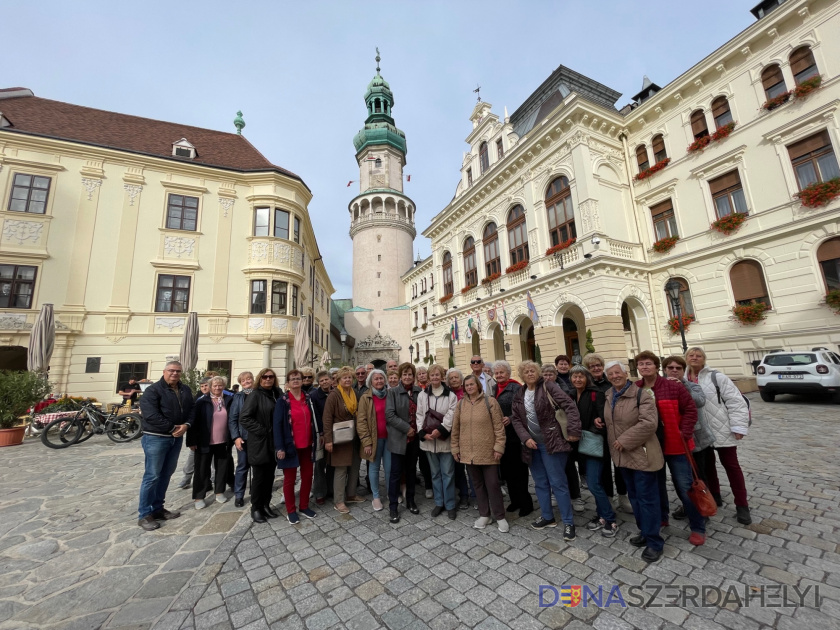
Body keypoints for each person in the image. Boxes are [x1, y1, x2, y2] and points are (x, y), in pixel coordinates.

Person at [635, 350, 705, 546]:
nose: (644, 367)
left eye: (648, 363)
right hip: (651, 446)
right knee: (656, 486)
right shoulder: (636, 388)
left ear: (656, 367)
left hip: (677, 445)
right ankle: (661, 517)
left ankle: (698, 526)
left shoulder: (672, 386)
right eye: (641, 364)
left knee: (685, 487)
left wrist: (685, 431)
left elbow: (690, 409)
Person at [510, 360, 581, 541]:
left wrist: (573, 430)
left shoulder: (549, 387)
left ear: (538, 372)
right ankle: (548, 516)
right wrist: (526, 438)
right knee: (540, 483)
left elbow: (569, 406)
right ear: (522, 375)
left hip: (553, 443)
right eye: (526, 371)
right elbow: (516, 419)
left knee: (558, 483)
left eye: (533, 370)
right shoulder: (520, 393)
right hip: (532, 446)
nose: (530, 373)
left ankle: (568, 521)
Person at [602, 361, 664, 562]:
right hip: (621, 457)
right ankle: (645, 532)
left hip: (641, 455)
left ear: (626, 373)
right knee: (635, 497)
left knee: (647, 499)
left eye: (617, 372)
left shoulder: (641, 395)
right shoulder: (609, 395)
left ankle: (655, 542)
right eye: (610, 374)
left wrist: (624, 440)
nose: (614, 376)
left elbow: (649, 424)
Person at [686, 347, 752, 525]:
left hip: (721, 428)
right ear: (686, 358)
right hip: (700, 431)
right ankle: (714, 496)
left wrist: (738, 426)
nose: (694, 358)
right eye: (691, 355)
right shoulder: (683, 378)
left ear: (704, 359)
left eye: (698, 355)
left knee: (731, 466)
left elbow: (735, 401)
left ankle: (742, 505)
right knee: (707, 466)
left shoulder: (717, 377)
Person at [137, 361, 194, 531]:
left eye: (178, 371)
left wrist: (187, 425)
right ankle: (144, 514)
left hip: (175, 439)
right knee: (152, 476)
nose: (175, 373)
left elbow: (192, 410)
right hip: (156, 437)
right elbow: (150, 415)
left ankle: (158, 508)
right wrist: (172, 428)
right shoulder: (153, 390)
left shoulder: (185, 389)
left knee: (166, 474)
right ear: (164, 371)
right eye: (171, 371)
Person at [452, 374, 508, 532]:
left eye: (472, 384)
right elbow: (455, 429)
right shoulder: (461, 404)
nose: (469, 387)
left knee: (493, 484)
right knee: (477, 485)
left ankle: (500, 516)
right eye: (467, 385)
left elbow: (499, 426)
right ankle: (484, 514)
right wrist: (455, 448)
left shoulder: (490, 402)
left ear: (478, 385)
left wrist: (499, 446)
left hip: (488, 451)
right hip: (468, 453)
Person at [663, 355, 713, 521]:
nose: (674, 371)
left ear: (683, 371)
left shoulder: (692, 385)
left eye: (678, 368)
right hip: (673, 441)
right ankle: (688, 505)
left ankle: (704, 506)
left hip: (695, 440)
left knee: (697, 475)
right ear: (665, 370)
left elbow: (700, 401)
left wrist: (683, 385)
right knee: (681, 479)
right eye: (671, 368)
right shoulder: (661, 388)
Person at [569, 366, 616, 537]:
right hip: (579, 446)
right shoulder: (571, 394)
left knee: (594, 483)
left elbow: (605, 416)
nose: (578, 380)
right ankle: (601, 514)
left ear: (587, 378)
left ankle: (610, 518)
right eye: (575, 376)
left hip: (593, 444)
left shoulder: (596, 393)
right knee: (592, 482)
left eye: (581, 376)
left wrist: (599, 421)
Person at [583, 352, 631, 513]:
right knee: (603, 468)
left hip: (617, 431)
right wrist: (594, 420)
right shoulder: (586, 385)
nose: (596, 368)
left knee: (620, 465)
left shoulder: (611, 381)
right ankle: (608, 498)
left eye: (598, 365)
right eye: (592, 366)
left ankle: (623, 497)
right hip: (598, 434)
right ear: (587, 369)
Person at [273, 369, 321, 524]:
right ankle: (291, 510)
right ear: (287, 383)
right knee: (290, 479)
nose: (295, 381)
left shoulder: (308, 398)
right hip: (290, 446)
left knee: (307, 477)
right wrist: (279, 447)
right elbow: (277, 425)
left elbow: (315, 419)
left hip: (308, 444)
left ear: (302, 381)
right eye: (292, 379)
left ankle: (304, 506)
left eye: (298, 378)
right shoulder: (283, 401)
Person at [416, 364, 458, 520]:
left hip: (444, 440)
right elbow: (420, 415)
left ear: (442, 377)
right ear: (428, 377)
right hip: (428, 441)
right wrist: (422, 432)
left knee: (448, 473)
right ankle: (439, 502)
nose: (434, 378)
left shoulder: (450, 396)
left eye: (437, 375)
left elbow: (451, 414)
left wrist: (441, 429)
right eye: (432, 375)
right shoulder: (422, 395)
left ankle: (450, 504)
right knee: (435, 474)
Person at [239, 368, 281, 523]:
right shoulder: (255, 395)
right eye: (265, 376)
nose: (268, 379)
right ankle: (256, 508)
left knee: (270, 476)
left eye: (271, 376)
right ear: (260, 378)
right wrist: (263, 431)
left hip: (274, 443)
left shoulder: (277, 394)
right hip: (260, 442)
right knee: (259, 478)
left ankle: (266, 504)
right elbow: (244, 418)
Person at [492, 360, 533, 517]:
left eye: (502, 372)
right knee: (508, 472)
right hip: (502, 437)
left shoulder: (516, 387)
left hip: (516, 435)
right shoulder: (495, 388)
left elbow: (523, 409)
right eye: (497, 373)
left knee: (519, 471)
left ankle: (526, 503)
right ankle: (515, 500)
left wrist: (510, 417)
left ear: (508, 374)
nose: (499, 375)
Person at [187, 376, 234, 509]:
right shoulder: (202, 402)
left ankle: (219, 492)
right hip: (204, 441)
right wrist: (191, 441)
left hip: (223, 441)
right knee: (201, 470)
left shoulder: (229, 400)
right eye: (215, 385)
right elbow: (193, 422)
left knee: (222, 468)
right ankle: (199, 497)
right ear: (210, 387)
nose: (218, 388)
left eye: (220, 385)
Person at [542, 362, 582, 512]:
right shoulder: (540, 389)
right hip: (549, 433)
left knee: (569, 466)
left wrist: (573, 430)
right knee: (553, 466)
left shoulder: (564, 389)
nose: (547, 377)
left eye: (550, 374)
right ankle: (554, 493)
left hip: (564, 432)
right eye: (545, 375)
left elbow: (571, 409)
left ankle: (576, 496)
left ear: (556, 375)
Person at [323, 366, 363, 514]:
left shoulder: (354, 393)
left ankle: (351, 494)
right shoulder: (334, 395)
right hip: (339, 437)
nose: (347, 380)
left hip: (353, 436)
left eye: (349, 377)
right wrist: (328, 440)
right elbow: (327, 418)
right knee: (341, 470)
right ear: (338, 380)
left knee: (354, 467)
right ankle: (339, 501)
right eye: (344, 377)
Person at [385, 363, 422, 523]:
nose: (407, 377)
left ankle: (411, 500)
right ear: (400, 376)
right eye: (405, 374)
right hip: (399, 438)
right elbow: (390, 415)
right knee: (395, 474)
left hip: (414, 440)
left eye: (410, 374)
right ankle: (393, 506)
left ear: (414, 377)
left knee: (411, 471)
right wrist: (406, 428)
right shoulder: (392, 392)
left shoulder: (418, 392)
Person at [357, 369, 390, 511]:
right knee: (374, 468)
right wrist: (366, 441)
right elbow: (361, 421)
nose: (379, 381)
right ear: (371, 381)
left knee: (389, 468)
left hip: (389, 439)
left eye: (381, 378)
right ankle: (376, 497)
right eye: (376, 379)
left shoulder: (390, 394)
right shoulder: (366, 397)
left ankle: (390, 493)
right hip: (374, 439)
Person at [229, 371, 254, 508]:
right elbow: (232, 419)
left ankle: (256, 492)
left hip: (257, 437)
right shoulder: (237, 397)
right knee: (242, 466)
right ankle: (239, 495)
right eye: (243, 380)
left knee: (257, 466)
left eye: (249, 379)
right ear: (240, 383)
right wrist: (236, 437)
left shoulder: (259, 393)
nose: (246, 381)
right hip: (243, 437)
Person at [447, 368, 472, 509]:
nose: (454, 380)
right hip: (453, 434)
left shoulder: (468, 392)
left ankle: (473, 494)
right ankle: (463, 494)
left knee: (470, 466)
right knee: (457, 467)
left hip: (468, 433)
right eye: (451, 378)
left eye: (456, 377)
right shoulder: (447, 394)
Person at [309, 370, 333, 505]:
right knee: (319, 464)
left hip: (334, 433)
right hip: (321, 434)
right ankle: (319, 492)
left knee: (332, 463)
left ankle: (330, 489)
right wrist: (322, 433)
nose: (324, 382)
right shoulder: (314, 396)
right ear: (318, 383)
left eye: (326, 379)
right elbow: (315, 416)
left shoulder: (335, 393)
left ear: (331, 380)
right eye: (322, 380)